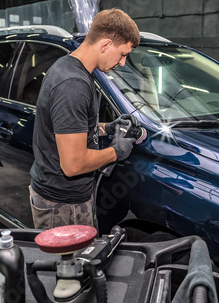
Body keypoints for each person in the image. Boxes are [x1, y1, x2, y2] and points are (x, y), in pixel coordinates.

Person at [29, 8, 141, 230]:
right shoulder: (72, 84)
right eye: (123, 54)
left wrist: (108, 128)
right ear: (106, 45)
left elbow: (72, 127)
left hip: (65, 199)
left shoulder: (69, 67)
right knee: (69, 265)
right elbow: (73, 164)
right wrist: (116, 151)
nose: (122, 63)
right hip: (61, 206)